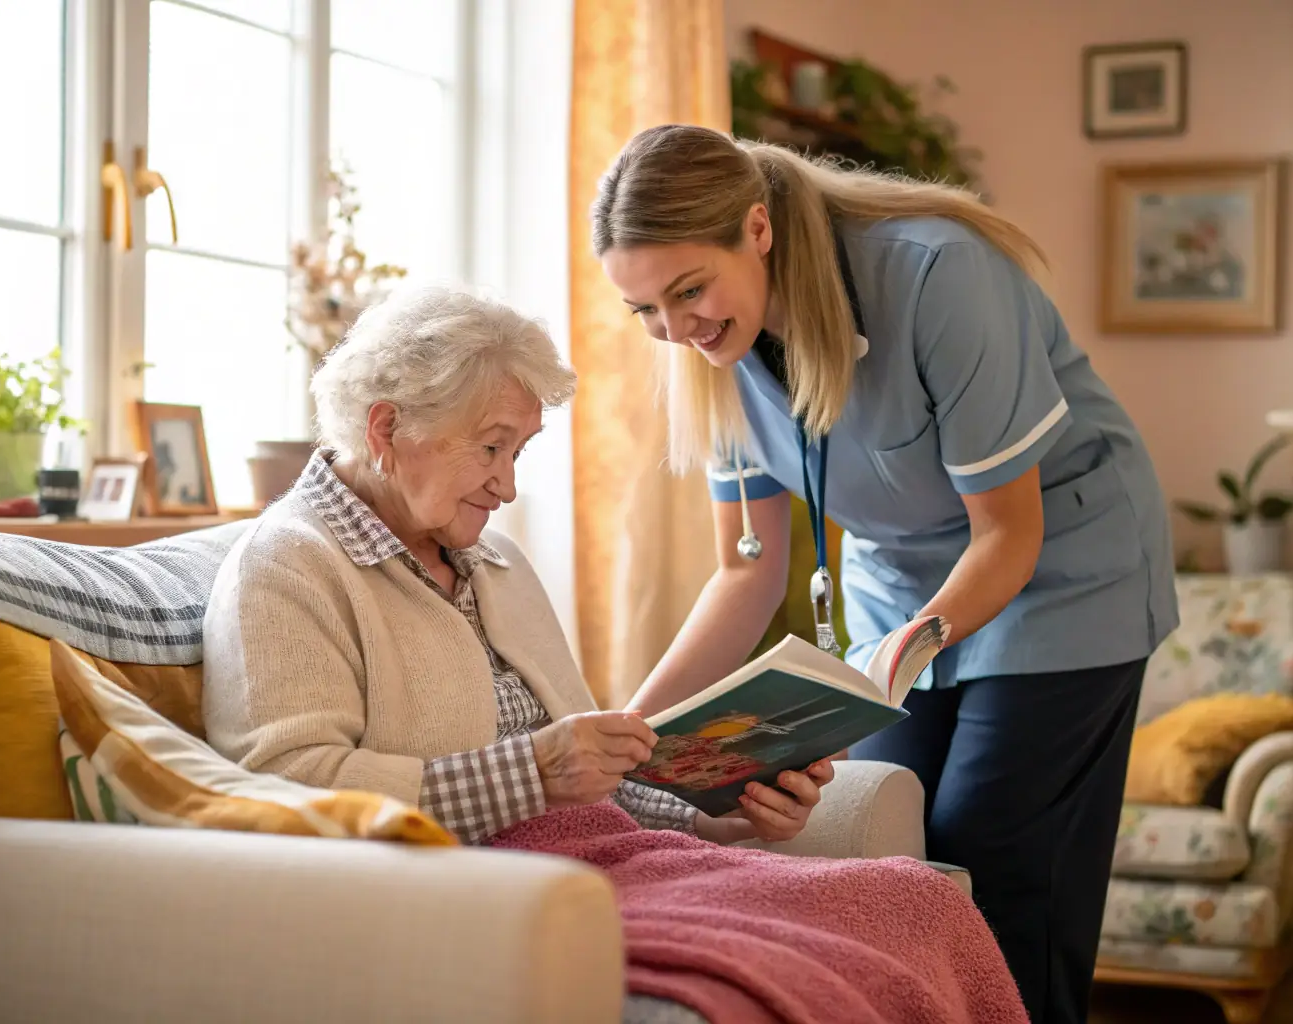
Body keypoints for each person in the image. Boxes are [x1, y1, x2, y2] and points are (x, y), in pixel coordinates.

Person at [594, 124, 1178, 1024]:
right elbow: (745, 574)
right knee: (890, 860)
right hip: (899, 589)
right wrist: (629, 737)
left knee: (1000, 865)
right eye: (644, 312)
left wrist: (873, 677)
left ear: (756, 229)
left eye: (687, 291)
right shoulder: (710, 357)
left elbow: (1006, 536)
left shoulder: (938, 275)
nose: (674, 332)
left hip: (1062, 574)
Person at [201, 284, 833, 850]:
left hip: (604, 862)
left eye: (518, 451)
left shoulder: (497, 562)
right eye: (490, 447)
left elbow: (598, 784)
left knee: (903, 894)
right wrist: (530, 775)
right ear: (387, 427)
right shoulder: (285, 568)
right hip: (492, 898)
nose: (505, 487)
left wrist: (717, 814)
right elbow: (288, 791)